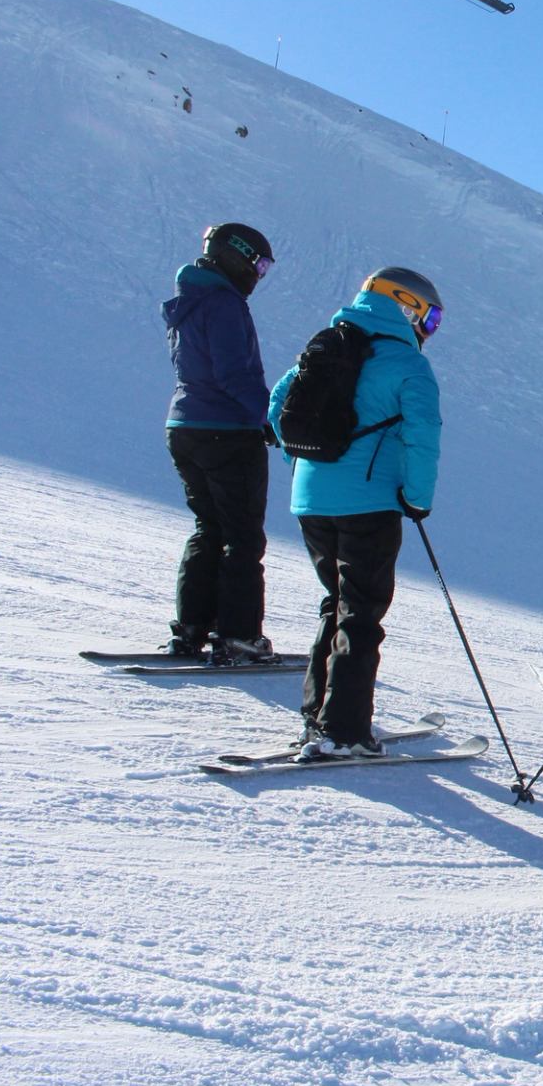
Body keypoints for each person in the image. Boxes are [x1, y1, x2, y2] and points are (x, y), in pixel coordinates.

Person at [268, 267, 443, 759]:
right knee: (361, 613)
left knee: (336, 601)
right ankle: (343, 731)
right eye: (428, 319)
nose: (427, 332)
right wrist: (418, 497)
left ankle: (316, 715)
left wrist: (302, 462)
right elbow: (424, 434)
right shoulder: (407, 365)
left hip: (311, 500)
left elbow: (279, 404)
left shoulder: (327, 343)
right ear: (406, 307)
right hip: (369, 504)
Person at [163, 222, 276, 663]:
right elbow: (234, 374)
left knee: (209, 528)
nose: (260, 275)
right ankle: (239, 636)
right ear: (238, 256)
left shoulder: (188, 301)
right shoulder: (224, 304)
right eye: (259, 265)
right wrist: (270, 420)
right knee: (243, 537)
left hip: (184, 426)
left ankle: (191, 627)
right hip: (226, 431)